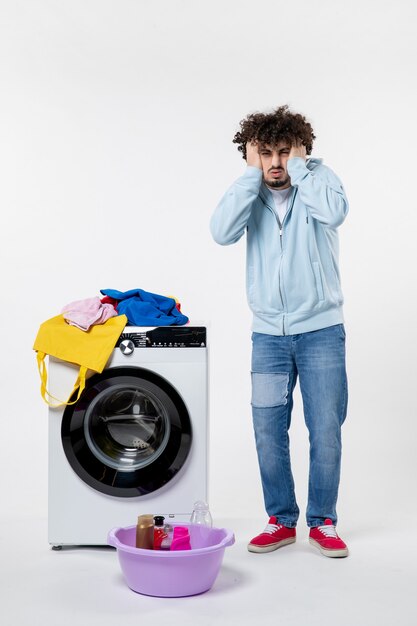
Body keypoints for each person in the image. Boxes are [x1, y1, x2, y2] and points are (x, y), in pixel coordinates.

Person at [210, 105, 349, 558]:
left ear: (301, 151)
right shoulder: (251, 193)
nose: (275, 162)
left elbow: (333, 214)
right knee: (268, 430)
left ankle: (323, 522)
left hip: (322, 331)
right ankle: (281, 519)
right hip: (268, 336)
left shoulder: (320, 182)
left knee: (325, 428)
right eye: (265, 153)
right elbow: (220, 232)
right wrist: (250, 177)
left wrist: (304, 168)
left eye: (284, 152)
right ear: (252, 156)